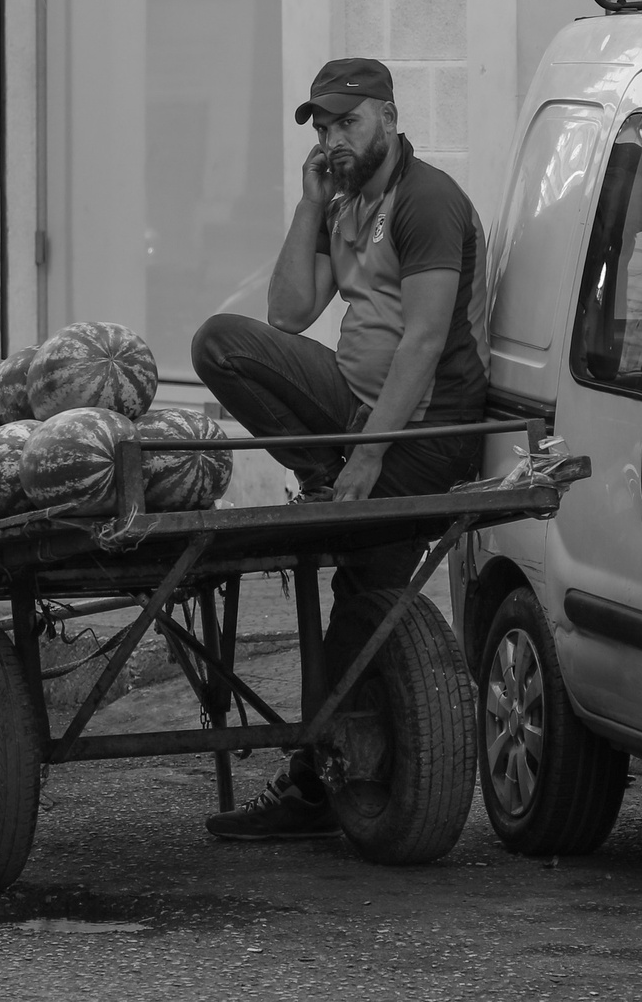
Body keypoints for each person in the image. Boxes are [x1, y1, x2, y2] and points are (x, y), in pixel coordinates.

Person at [189, 56, 490, 840]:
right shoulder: (345, 196)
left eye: (347, 121)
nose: (332, 137)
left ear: (388, 116)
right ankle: (327, 782)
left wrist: (365, 459)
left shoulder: (429, 201)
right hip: (355, 419)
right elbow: (288, 313)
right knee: (223, 344)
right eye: (322, 125)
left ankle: (315, 783)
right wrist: (309, 203)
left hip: (424, 434)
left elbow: (422, 343)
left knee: (365, 594)